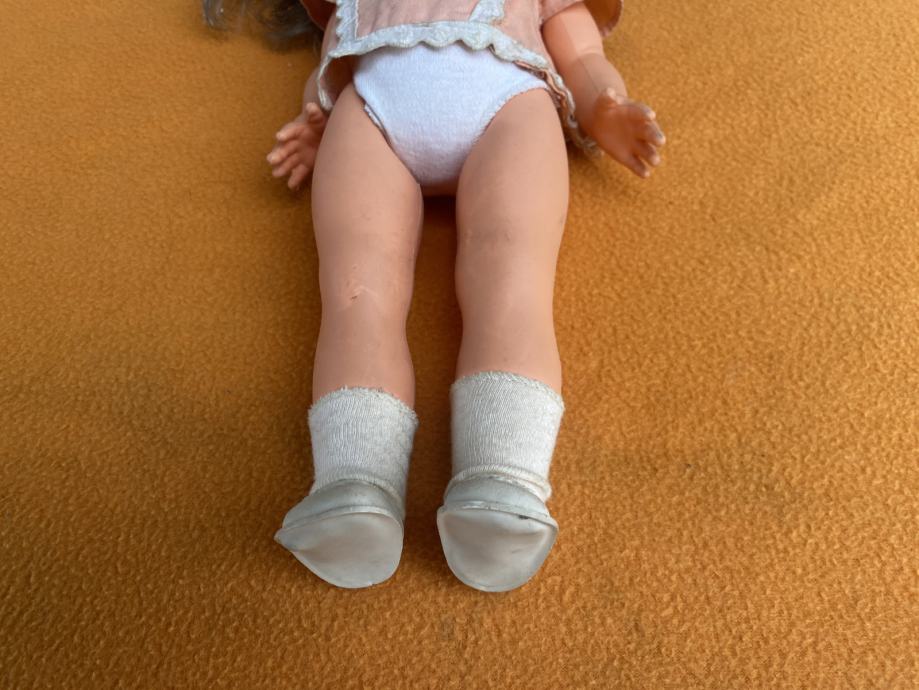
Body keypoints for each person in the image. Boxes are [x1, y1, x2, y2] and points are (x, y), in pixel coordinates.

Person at [204, 0, 665, 592]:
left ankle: (503, 476)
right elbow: (336, 54)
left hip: (509, 110)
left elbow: (580, 55)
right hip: (372, 117)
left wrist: (605, 106)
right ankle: (353, 481)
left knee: (511, 278)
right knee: (356, 289)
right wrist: (317, 120)